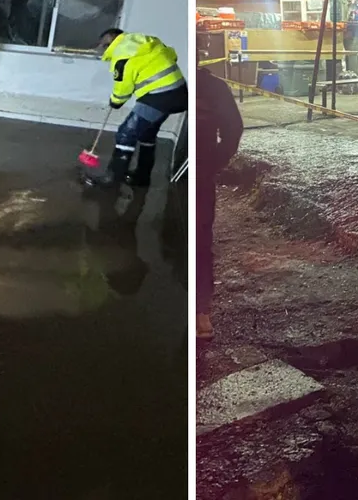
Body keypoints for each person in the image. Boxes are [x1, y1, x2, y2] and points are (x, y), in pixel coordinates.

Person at [88, 28, 188, 188]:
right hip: (180, 92)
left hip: (158, 97)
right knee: (146, 134)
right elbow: (172, 55)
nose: (102, 50)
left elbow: (123, 89)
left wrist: (115, 101)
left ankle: (112, 180)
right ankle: (142, 176)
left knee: (126, 133)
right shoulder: (147, 41)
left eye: (102, 47)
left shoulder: (121, 56)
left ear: (108, 44)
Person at [195, 67, 243, 340]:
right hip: (173, 171)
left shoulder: (213, 88)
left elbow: (232, 129)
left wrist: (214, 162)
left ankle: (201, 309)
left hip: (200, 176)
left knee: (200, 241)